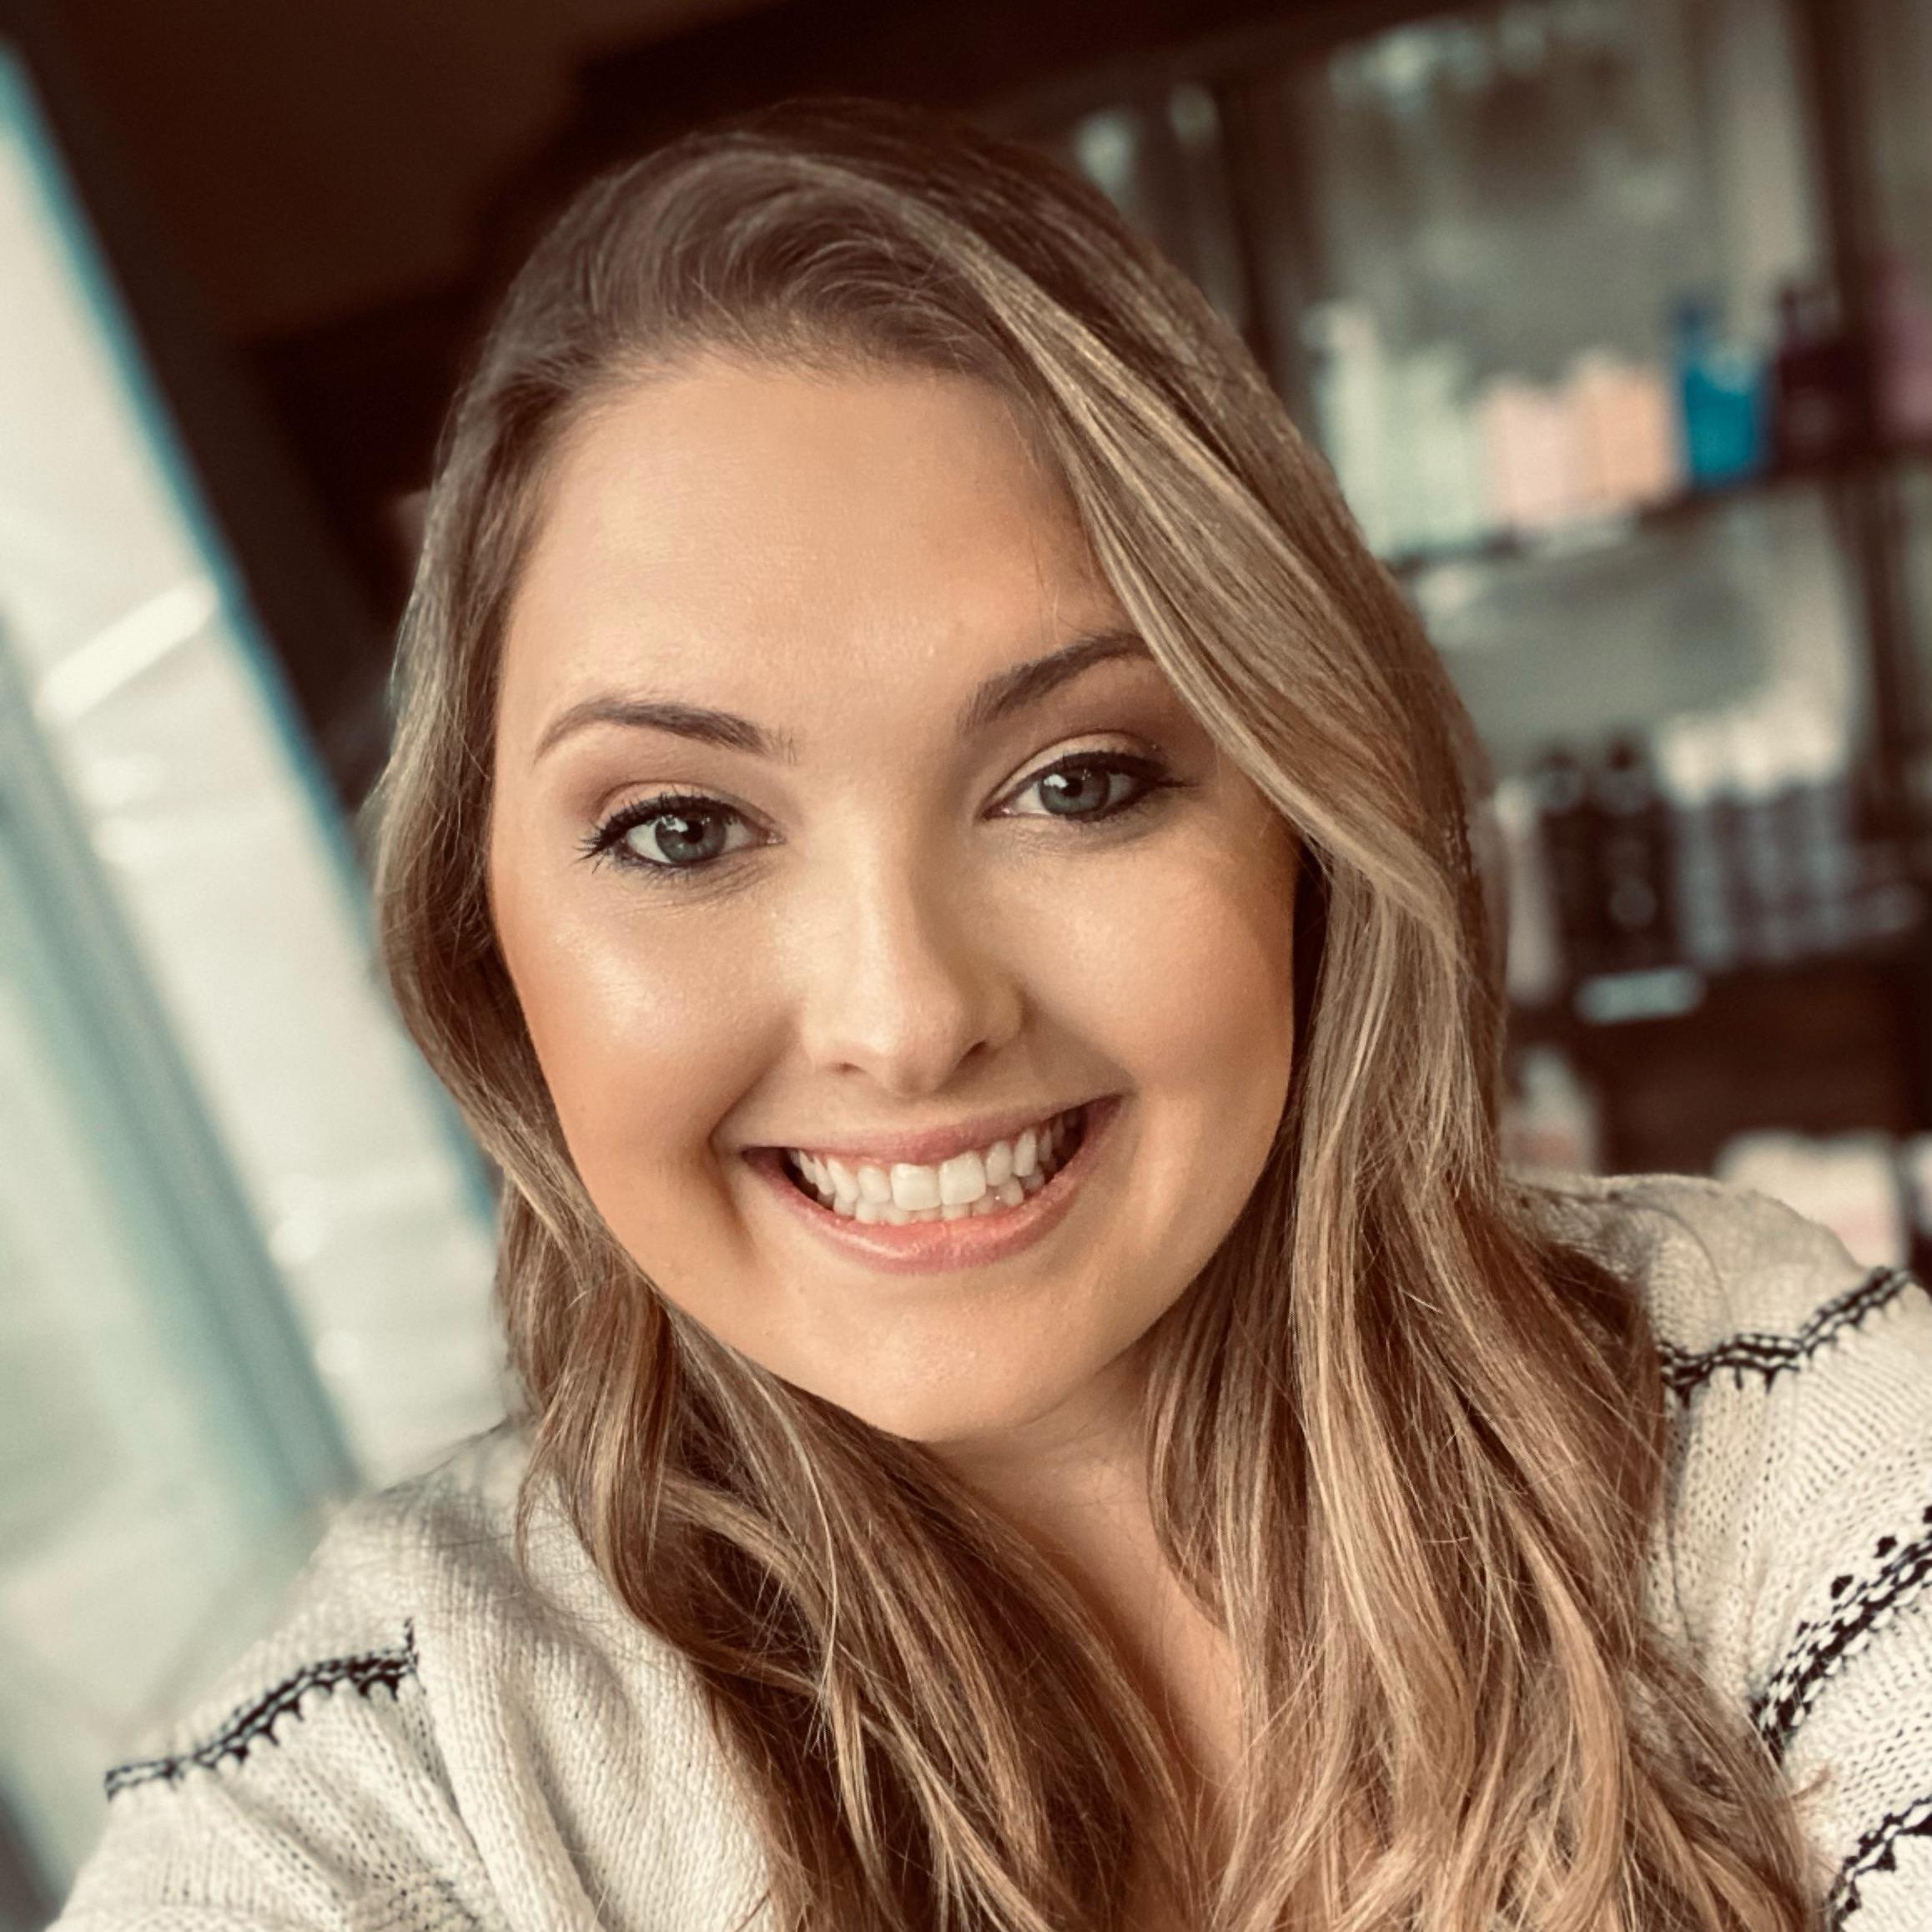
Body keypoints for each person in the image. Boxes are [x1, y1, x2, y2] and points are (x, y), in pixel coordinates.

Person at [53, 98, 1932, 1932]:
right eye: (683, 827)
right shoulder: (388, 1776)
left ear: (1307, 826)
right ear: (486, 937)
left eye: (1078, 783)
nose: (906, 1019)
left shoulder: (1753, 1412)